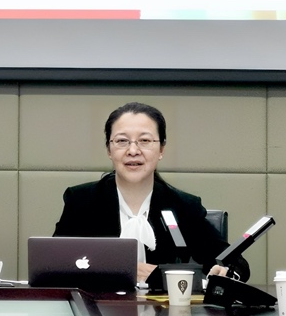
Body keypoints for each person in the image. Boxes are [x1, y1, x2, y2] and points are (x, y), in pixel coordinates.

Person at [52, 101, 248, 292]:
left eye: (145, 141)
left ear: (161, 149)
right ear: (109, 150)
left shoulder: (183, 206)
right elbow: (54, 265)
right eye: (122, 141)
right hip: (99, 310)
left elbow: (235, 264)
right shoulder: (81, 201)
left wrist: (161, 275)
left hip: (166, 312)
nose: (133, 151)